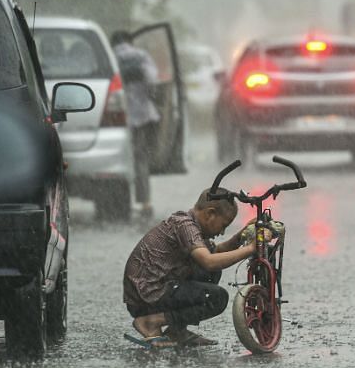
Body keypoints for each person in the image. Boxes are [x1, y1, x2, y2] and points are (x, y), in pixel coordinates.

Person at [123, 188, 271, 348]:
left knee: (210, 272)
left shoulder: (190, 224)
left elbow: (216, 252)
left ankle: (176, 331)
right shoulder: (185, 225)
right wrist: (250, 249)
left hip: (154, 291)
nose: (222, 232)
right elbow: (209, 261)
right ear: (210, 214)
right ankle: (151, 322)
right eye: (223, 225)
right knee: (217, 298)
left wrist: (241, 236)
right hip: (146, 298)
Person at [111, 30, 160, 219]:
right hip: (143, 116)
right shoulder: (141, 55)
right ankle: (145, 202)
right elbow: (152, 79)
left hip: (117, 118)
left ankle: (116, 203)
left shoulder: (110, 56)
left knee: (117, 161)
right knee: (141, 160)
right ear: (130, 41)